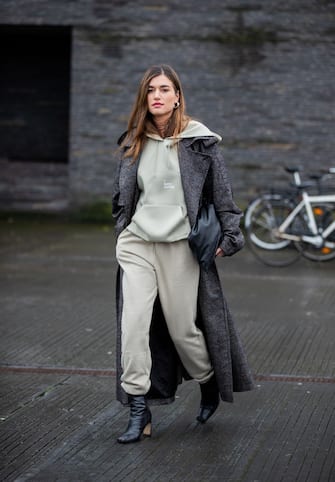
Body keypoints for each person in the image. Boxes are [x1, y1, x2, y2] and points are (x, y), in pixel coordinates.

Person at [112, 64, 254, 444]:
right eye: (150, 91)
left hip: (179, 247)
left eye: (164, 89)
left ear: (177, 97)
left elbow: (223, 197)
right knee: (134, 326)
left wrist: (231, 235)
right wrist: (121, 226)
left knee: (182, 329)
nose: (156, 96)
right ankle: (138, 409)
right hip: (138, 244)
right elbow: (125, 196)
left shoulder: (200, 143)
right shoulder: (133, 141)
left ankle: (208, 382)